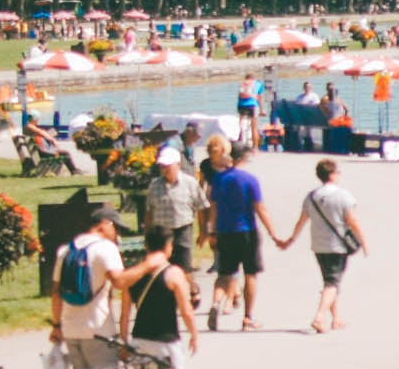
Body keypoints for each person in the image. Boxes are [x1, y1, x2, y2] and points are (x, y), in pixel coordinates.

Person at [50, 202, 141, 369]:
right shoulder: (106, 248)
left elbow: (56, 292)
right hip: (98, 329)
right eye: (116, 229)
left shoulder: (66, 250)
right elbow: (119, 282)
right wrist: (145, 267)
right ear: (105, 224)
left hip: (70, 329)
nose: (117, 236)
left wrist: (56, 326)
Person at [124, 226, 202, 369]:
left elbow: (124, 314)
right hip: (166, 341)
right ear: (169, 247)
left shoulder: (134, 273)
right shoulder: (174, 273)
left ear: (147, 245)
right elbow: (186, 310)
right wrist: (194, 334)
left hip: (139, 339)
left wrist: (124, 341)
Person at [206, 140, 278, 330]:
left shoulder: (218, 179)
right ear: (244, 157)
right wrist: (273, 234)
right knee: (250, 274)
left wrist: (211, 231)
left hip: (224, 231)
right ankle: (248, 317)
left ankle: (215, 303)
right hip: (246, 231)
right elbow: (259, 208)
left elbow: (213, 208)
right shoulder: (249, 180)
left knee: (224, 274)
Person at [294, 158, 366, 332]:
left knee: (329, 281)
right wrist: (363, 241)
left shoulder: (311, 196)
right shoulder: (343, 195)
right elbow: (352, 220)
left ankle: (336, 318)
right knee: (332, 283)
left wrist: (291, 238)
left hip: (318, 245)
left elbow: (302, 220)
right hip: (337, 246)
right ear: (332, 174)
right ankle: (319, 317)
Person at [144, 143, 207, 272]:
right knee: (162, 270)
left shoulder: (190, 183)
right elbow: (149, 212)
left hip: (182, 230)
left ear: (178, 164)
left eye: (168, 165)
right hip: (161, 233)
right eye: (162, 166)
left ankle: (189, 290)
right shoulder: (155, 185)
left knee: (184, 268)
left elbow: (202, 208)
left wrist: (202, 231)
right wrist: (147, 236)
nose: (165, 169)